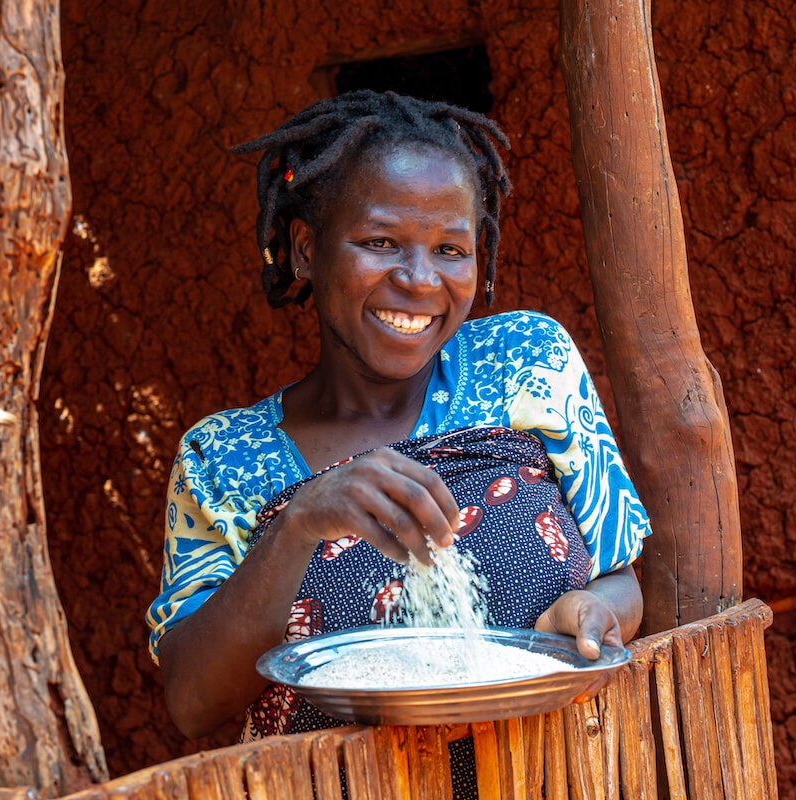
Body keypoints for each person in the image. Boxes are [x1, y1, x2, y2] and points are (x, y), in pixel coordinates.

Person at [147, 90, 651, 790]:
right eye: (381, 242)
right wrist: (299, 524)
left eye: (450, 250)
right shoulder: (224, 459)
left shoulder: (527, 365)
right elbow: (194, 702)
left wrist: (590, 615)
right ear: (305, 251)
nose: (419, 280)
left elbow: (622, 578)